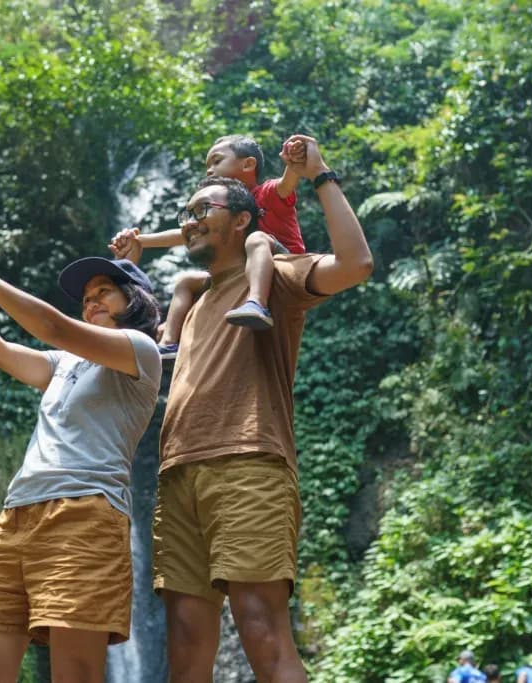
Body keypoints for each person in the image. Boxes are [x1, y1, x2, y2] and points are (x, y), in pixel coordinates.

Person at [123, 135, 371, 682]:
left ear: (241, 221)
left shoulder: (274, 278)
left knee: (260, 628)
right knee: (185, 644)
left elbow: (355, 264)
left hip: (248, 463)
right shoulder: (190, 300)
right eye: (186, 213)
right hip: (176, 476)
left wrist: (321, 175)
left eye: (202, 210)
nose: (190, 221)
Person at [0, 222, 163, 683]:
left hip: (84, 513)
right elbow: (4, 351)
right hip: (16, 516)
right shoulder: (65, 363)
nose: (92, 299)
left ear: (136, 301)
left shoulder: (141, 351)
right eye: (87, 295)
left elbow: (50, 325)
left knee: (76, 672)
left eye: (105, 290)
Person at [110, 134, 308, 358]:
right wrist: (141, 240)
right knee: (186, 282)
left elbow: (288, 182)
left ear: (248, 164)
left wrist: (293, 162)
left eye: (216, 161)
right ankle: (168, 343)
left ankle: (257, 303)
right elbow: (187, 232)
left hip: (286, 263)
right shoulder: (223, 209)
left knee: (257, 239)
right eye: (208, 165)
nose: (209, 170)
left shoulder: (268, 193)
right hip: (242, 270)